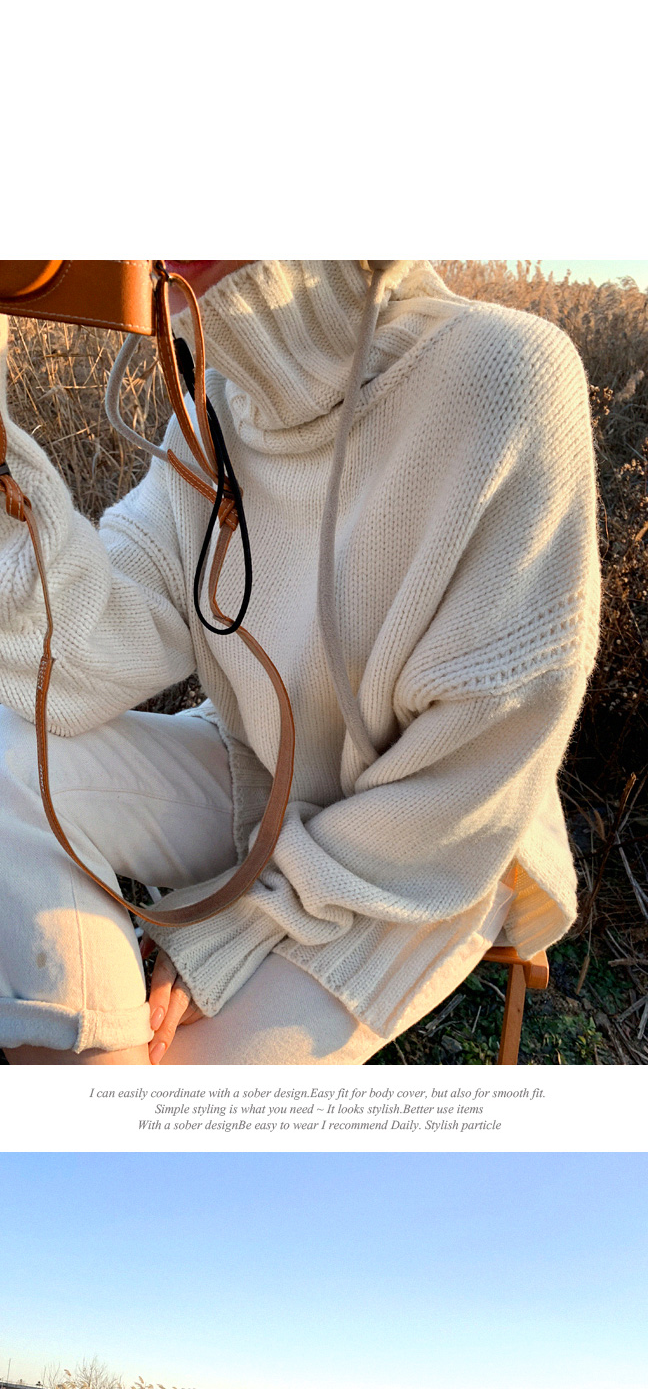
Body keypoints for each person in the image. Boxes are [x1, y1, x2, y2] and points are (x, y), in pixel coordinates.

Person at [0, 259, 600, 1067]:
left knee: (175, 1107)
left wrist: (234, 924)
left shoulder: (505, 374)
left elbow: (472, 775)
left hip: (425, 850)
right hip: (265, 775)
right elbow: (71, 661)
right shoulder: (210, 410)